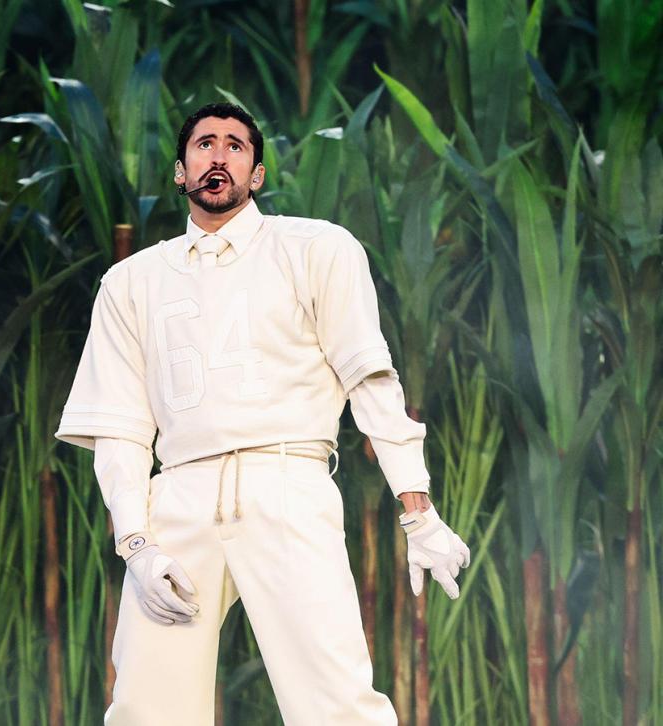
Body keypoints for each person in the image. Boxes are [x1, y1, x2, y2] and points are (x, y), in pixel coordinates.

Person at [55, 102, 470, 725]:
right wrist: (136, 545)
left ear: (256, 174)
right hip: (180, 497)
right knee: (144, 706)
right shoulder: (130, 282)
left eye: (234, 146)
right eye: (203, 144)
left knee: (336, 704)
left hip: (288, 483)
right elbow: (122, 428)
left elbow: (371, 379)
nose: (217, 155)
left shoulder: (315, 249)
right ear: (180, 170)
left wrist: (419, 513)